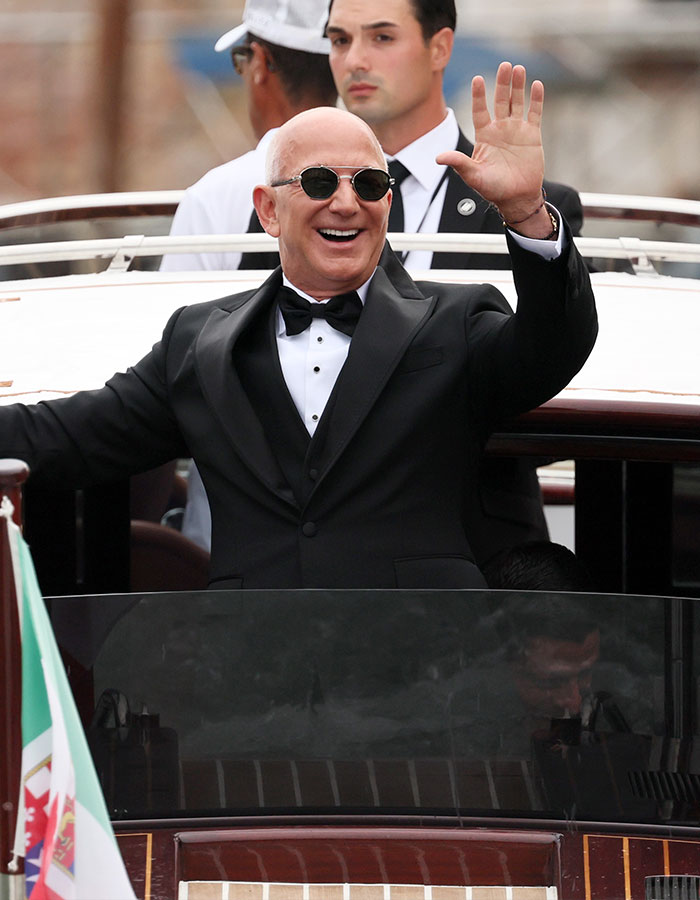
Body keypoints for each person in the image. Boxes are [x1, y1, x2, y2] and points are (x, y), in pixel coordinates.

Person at [0, 65, 597, 590]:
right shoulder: (199, 343)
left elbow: (552, 347)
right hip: (255, 687)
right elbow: (65, 436)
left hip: (422, 687)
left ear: (388, 203)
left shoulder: (455, 324)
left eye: (367, 184)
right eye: (318, 182)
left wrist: (524, 213)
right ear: (267, 209)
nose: (345, 203)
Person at [326, 0, 585, 565]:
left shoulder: (530, 204)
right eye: (340, 40)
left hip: (476, 550)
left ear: (440, 47)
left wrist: (524, 212)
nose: (355, 60)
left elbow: (545, 362)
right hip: (328, 551)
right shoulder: (295, 200)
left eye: (382, 37)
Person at [160, 0, 337, 274]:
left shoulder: (213, 199)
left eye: (242, 59)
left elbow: (178, 313)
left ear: (261, 63)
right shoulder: (383, 184)